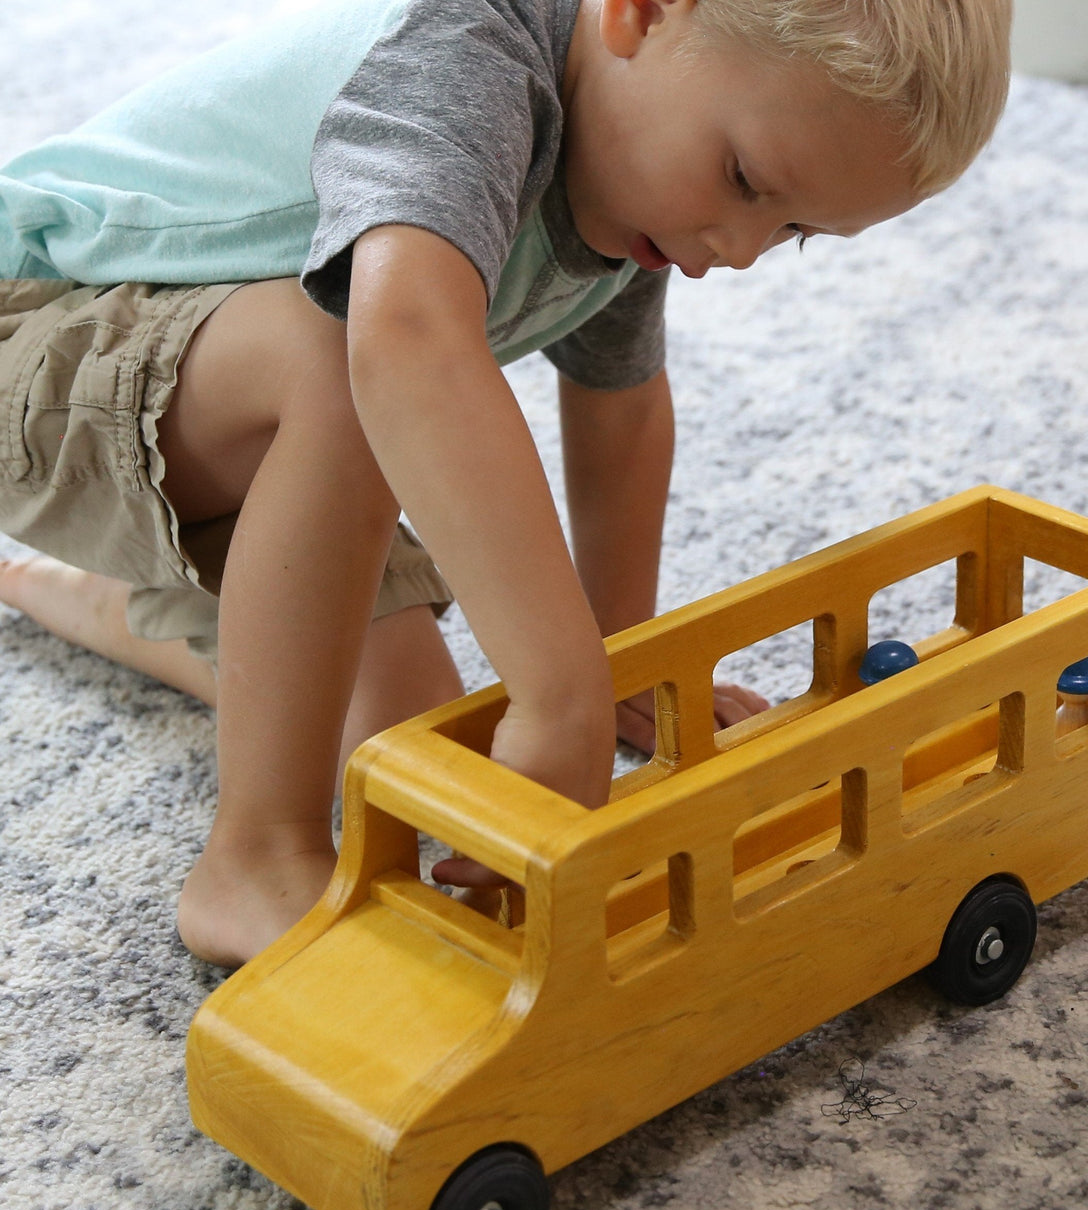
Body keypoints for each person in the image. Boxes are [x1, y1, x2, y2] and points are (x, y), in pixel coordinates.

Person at [0, 0, 1012, 967]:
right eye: (746, 180)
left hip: (191, 416)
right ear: (642, 9)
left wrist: (617, 660)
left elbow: (620, 409)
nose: (739, 253)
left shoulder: (643, 177)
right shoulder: (468, 53)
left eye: (793, 233)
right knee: (342, 353)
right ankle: (256, 855)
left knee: (412, 750)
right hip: (36, 328)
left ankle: (115, 596)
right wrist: (559, 691)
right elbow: (403, 334)